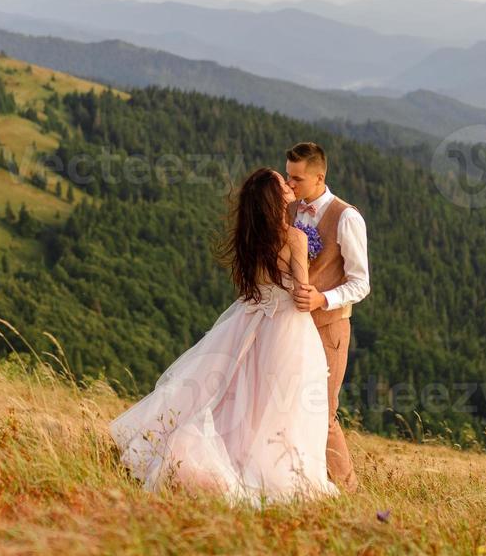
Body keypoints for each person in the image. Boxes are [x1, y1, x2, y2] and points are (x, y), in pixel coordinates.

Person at [109, 167, 338, 503]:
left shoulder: (250, 238)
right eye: (282, 184)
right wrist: (317, 282)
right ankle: (266, 472)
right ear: (275, 199)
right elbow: (301, 294)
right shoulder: (294, 238)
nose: (289, 186)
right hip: (286, 328)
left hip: (248, 322)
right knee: (281, 403)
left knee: (236, 395)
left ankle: (228, 455)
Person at [284, 141, 370, 491]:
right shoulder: (289, 210)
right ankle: (300, 479)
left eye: (297, 179)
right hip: (289, 327)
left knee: (322, 412)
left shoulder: (347, 217)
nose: (290, 186)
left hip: (328, 328)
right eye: (288, 177)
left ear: (320, 177)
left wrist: (322, 298)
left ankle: (348, 489)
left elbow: (361, 283)